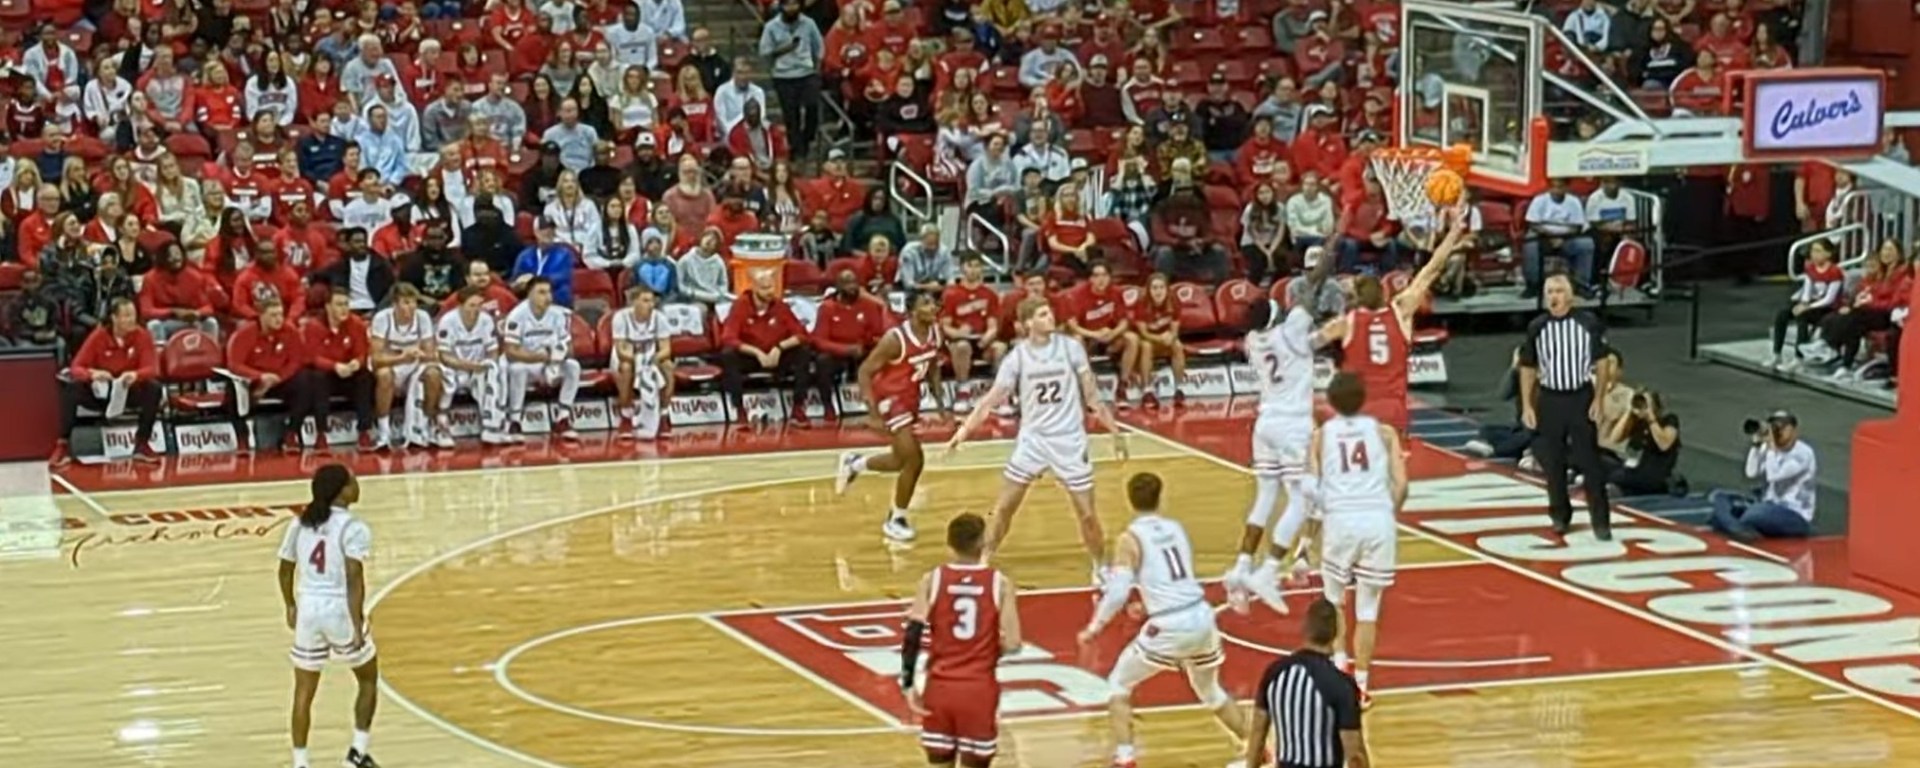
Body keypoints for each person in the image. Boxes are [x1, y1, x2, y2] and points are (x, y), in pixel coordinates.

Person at [947, 297, 1127, 582]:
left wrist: (1115, 431)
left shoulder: (1071, 348)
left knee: (1087, 514)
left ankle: (1100, 567)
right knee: (1005, 507)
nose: (1050, 317)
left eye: (1049, 312)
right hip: (1033, 440)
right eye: (1043, 314)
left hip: (1069, 440)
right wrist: (964, 430)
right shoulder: (1017, 357)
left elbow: (1092, 395)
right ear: (1028, 322)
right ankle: (984, 561)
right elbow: (991, 400)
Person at [1078, 472, 1249, 768]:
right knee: (1210, 690)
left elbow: (1118, 592)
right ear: (1162, 497)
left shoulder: (1129, 539)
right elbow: (1171, 579)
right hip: (1201, 615)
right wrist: (1146, 605)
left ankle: (1125, 759)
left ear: (1129, 500)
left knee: (1118, 685)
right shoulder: (1175, 529)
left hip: (1171, 625)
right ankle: (1257, 748)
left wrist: (1095, 625)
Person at [1225, 295, 1350, 614]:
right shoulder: (1291, 334)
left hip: (1265, 422)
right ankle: (1269, 570)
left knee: (1265, 498)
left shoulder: (1253, 340)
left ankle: (1241, 567)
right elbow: (1312, 308)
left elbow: (1312, 337)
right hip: (1292, 425)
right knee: (1300, 499)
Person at [1307, 372, 1407, 708]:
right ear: (1363, 399)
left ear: (1331, 402)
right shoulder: (1385, 433)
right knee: (1368, 609)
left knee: (1333, 599)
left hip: (1341, 519)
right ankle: (1361, 685)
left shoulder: (1321, 436)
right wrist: (1388, 513)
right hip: (1377, 520)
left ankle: (1338, 671)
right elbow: (1402, 484)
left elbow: (1313, 493)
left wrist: (1308, 538)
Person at [278, 464, 382, 768]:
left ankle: (300, 763)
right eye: (353, 480)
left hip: (308, 608)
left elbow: (285, 569)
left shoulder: (299, 523)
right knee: (368, 679)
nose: (357, 483)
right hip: (338, 609)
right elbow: (353, 577)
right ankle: (356, 755)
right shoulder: (353, 528)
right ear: (342, 490)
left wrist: (290, 605)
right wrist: (357, 622)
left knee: (303, 692)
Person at [899, 512, 1020, 768]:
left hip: (939, 689)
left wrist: (909, 683)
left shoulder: (933, 579)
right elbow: (1013, 643)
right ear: (983, 543)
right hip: (978, 690)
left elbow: (912, 634)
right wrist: (984, 649)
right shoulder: (1000, 584)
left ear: (950, 543)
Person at [838, 291, 949, 541]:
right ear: (911, 311)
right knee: (914, 460)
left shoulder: (935, 332)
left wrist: (941, 405)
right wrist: (873, 412)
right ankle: (895, 518)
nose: (933, 307)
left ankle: (855, 464)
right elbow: (865, 372)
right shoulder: (895, 339)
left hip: (911, 399)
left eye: (933, 303)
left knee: (900, 461)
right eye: (926, 303)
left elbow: (932, 368)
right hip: (890, 399)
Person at [1344, 222, 1469, 436]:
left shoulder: (1348, 321)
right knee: (1394, 464)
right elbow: (1432, 269)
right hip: (1392, 408)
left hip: (1360, 408)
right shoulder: (1399, 311)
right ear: (1383, 293)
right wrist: (1454, 230)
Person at [1519, 273, 1616, 539]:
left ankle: (1601, 521)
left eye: (1559, 291)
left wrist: (1598, 398)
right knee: (1553, 462)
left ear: (1570, 296)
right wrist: (1528, 404)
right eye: (1549, 291)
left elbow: (1603, 362)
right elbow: (1527, 366)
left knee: (1590, 462)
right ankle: (1560, 515)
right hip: (1550, 399)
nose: (1554, 296)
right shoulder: (1537, 327)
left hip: (1580, 397)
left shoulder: (1587, 323)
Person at [1244, 598, 1369, 768]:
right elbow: (1355, 755)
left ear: (1305, 629)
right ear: (1337, 633)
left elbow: (1257, 737)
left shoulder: (1275, 673)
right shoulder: (1341, 685)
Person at [51, 298, 163, 466]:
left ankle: (142, 444)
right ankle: (63, 446)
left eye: (132, 315)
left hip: (127, 391)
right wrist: (92, 374)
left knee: (153, 388)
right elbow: (76, 367)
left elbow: (153, 368)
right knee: (72, 389)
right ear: (114, 318)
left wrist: (135, 375)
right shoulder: (99, 336)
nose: (131, 319)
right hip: (102, 393)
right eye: (125, 315)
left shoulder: (142, 336)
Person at [718, 271, 814, 424]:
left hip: (776, 356)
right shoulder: (740, 306)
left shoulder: (780, 306)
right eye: (764, 288)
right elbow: (728, 338)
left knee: (803, 351)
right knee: (728, 354)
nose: (770, 292)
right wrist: (757, 353)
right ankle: (739, 410)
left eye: (771, 287)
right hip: (751, 357)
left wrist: (779, 348)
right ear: (754, 288)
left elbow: (801, 335)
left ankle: (798, 407)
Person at [229, 298, 324, 452]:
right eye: (273, 315)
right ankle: (242, 438)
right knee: (232, 387)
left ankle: (291, 432)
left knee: (307, 380)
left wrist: (276, 378)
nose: (279, 319)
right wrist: (259, 377)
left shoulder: (290, 331)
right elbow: (234, 364)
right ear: (261, 316)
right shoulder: (244, 334)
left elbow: (295, 361)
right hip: (252, 382)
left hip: (279, 379)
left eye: (281, 315)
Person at [1709, 410, 1817, 542]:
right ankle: (1739, 528)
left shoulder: (1803, 453)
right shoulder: (1769, 448)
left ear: (1793, 430)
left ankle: (1734, 526)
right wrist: (1756, 445)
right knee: (1719, 497)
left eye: (1781, 428)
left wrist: (1771, 447)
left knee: (1755, 513)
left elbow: (1773, 476)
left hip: (1794, 515)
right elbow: (1751, 472)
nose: (1777, 432)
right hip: (1767, 504)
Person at [501, 277, 584, 441]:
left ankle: (563, 418)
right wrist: (541, 357)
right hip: (526, 362)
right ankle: (514, 421)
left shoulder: (559, 314)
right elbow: (510, 351)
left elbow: (570, 349)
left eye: (549, 292)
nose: (547, 297)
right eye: (541, 292)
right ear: (529, 294)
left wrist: (557, 356)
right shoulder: (517, 315)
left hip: (551, 362)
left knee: (573, 366)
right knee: (517, 369)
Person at [369, 283, 446, 450]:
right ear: (394, 304)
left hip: (414, 365)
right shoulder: (382, 318)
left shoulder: (423, 317)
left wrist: (419, 354)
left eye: (413, 302)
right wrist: (401, 356)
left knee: (433, 374)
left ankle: (423, 426)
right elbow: (376, 359)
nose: (410, 307)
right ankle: (383, 431)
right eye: (405, 302)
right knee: (384, 375)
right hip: (391, 364)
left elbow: (431, 354)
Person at [437, 285, 512, 446]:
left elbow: (493, 351)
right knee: (444, 375)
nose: (476, 309)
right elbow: (445, 356)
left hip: (477, 368)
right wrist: (469, 365)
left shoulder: (486, 320)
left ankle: (491, 426)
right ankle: (440, 426)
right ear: (460, 306)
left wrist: (488, 364)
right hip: (454, 368)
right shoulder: (447, 321)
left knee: (494, 371)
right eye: (472, 305)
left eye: (479, 305)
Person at [306, 290, 377, 451]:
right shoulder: (313, 326)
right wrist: (335, 366)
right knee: (318, 379)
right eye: (339, 305)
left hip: (348, 373)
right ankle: (321, 434)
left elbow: (362, 353)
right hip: (327, 374)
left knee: (365, 377)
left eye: (346, 304)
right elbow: (313, 357)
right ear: (328, 307)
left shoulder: (357, 323)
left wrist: (356, 363)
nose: (344, 309)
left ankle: (364, 431)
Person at [611, 283, 674, 440]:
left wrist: (652, 360)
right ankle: (626, 415)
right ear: (634, 303)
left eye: (652, 301)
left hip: (651, 356)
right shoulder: (621, 317)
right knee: (626, 368)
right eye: (645, 301)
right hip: (626, 357)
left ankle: (663, 415)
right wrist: (639, 361)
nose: (650, 305)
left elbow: (666, 349)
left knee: (668, 366)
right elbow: (621, 350)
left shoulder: (659, 318)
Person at [938, 253, 1005, 389]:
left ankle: (999, 390)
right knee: (963, 346)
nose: (973, 270)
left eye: (977, 266)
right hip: (958, 341)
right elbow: (946, 327)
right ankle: (963, 389)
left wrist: (988, 336)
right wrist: (960, 334)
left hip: (981, 341)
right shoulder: (951, 294)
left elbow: (992, 325)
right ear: (962, 268)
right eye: (970, 266)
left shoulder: (989, 294)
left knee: (1000, 348)